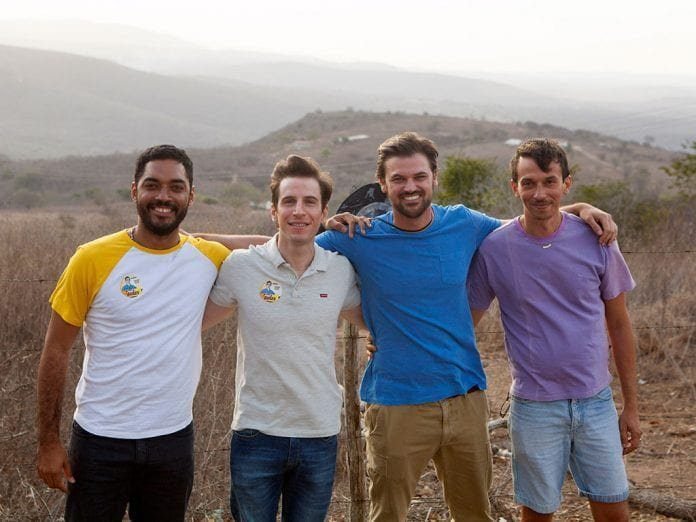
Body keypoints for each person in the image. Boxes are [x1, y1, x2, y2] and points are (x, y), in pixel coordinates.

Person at [315, 132, 617, 521]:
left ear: (434, 178)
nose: (411, 187)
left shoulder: (464, 223)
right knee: (387, 515)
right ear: (382, 185)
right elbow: (291, 246)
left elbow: (527, 221)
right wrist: (210, 244)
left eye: (419, 177)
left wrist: (579, 207)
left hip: (465, 400)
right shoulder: (359, 236)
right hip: (395, 404)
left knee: (475, 514)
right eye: (399, 179)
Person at [36, 144, 263, 521]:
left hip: (172, 442)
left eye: (176, 188)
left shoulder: (206, 256)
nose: (163, 196)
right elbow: (56, 351)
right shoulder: (91, 258)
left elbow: (274, 249)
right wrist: (47, 441)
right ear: (134, 190)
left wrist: (328, 230)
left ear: (191, 195)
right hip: (99, 441)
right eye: (152, 185)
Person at [467, 138, 640, 521]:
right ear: (514, 187)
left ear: (566, 184)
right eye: (528, 183)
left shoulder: (597, 238)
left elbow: (620, 324)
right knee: (538, 515)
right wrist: (389, 338)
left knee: (614, 512)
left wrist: (631, 405)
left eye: (549, 181)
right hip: (534, 407)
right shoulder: (495, 249)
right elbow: (464, 324)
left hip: (595, 401)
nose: (539, 192)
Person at [201, 155, 364, 522]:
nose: (298, 211)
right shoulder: (241, 266)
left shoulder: (339, 269)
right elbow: (190, 324)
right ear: (273, 211)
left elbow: (374, 321)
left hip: (319, 433)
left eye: (309, 202)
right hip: (257, 433)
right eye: (288, 201)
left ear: (324, 212)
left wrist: (382, 340)